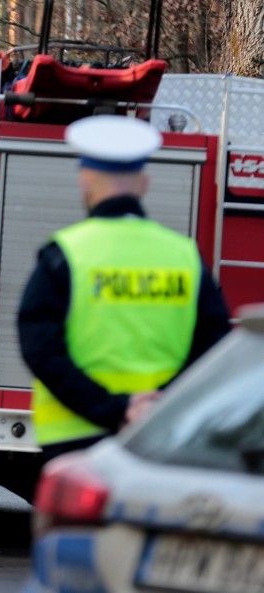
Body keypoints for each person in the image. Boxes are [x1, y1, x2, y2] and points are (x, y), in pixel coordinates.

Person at [16, 115, 231, 498]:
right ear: (144, 183)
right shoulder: (183, 256)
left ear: (85, 179)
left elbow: (40, 349)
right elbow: (215, 347)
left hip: (75, 440)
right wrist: (157, 407)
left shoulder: (64, 254)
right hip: (161, 439)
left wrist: (113, 408)